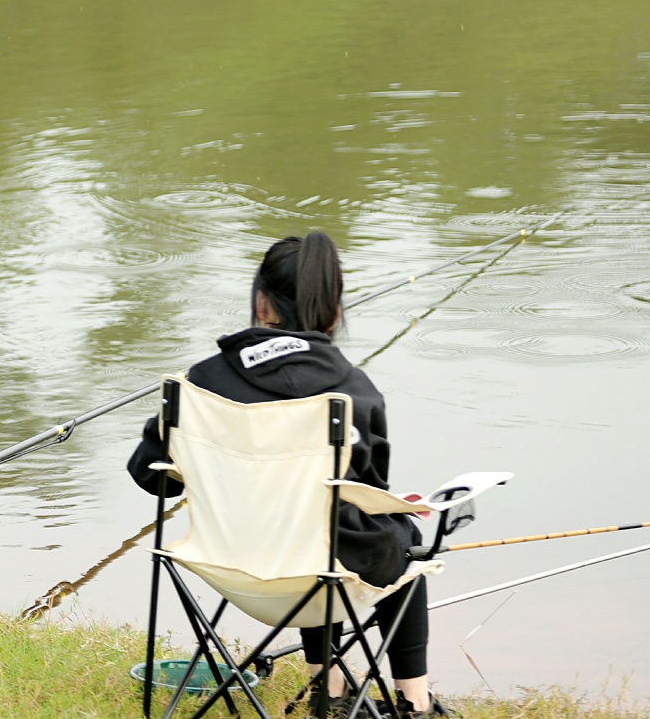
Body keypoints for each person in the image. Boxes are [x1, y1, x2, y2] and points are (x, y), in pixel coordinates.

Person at [127, 231, 443, 716]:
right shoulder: (354, 391)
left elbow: (150, 476)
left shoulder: (200, 383)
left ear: (261, 301)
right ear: (334, 313)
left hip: (227, 564)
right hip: (318, 573)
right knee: (397, 539)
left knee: (321, 527)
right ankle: (415, 703)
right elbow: (368, 490)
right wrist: (397, 507)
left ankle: (329, 690)